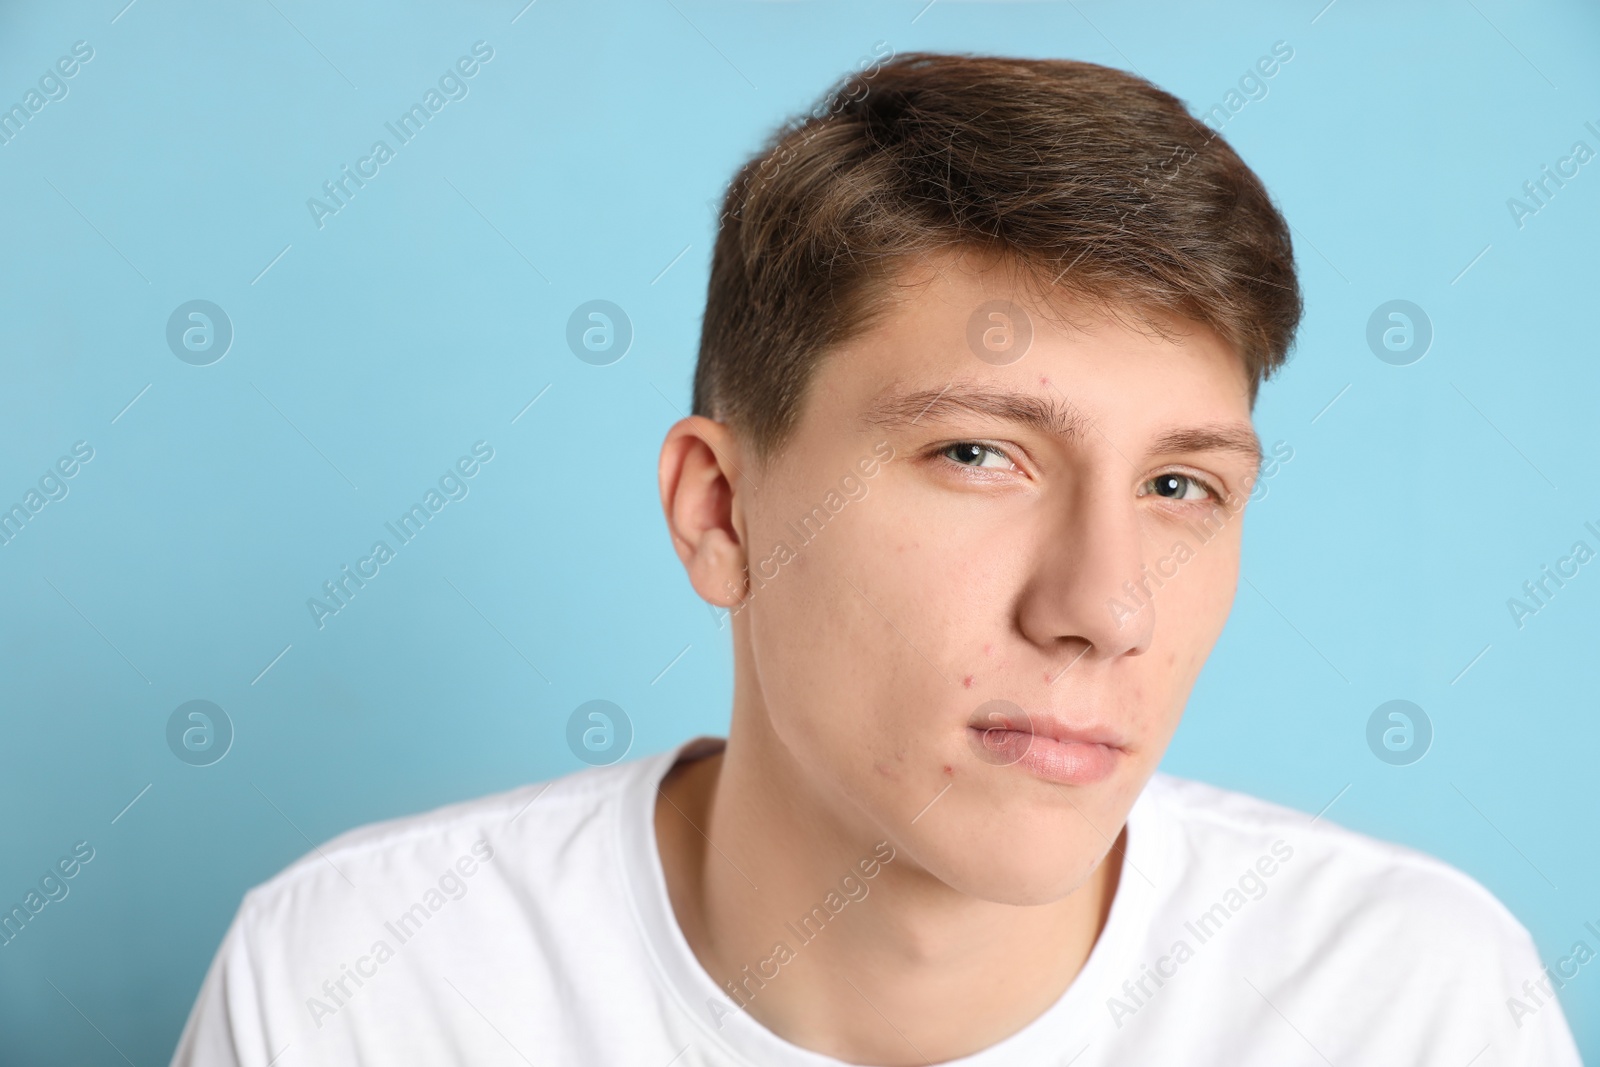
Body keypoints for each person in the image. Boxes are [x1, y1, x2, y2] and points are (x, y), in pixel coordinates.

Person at [172, 53, 1581, 1066]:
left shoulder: (1410, 1005)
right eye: (979, 455)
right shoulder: (357, 992)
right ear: (720, 514)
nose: (1103, 607)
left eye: (1177, 484)